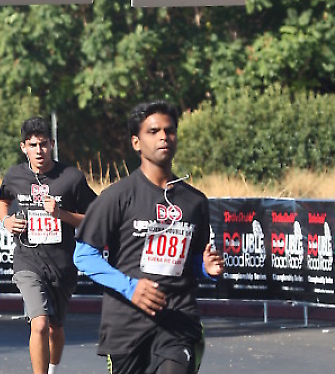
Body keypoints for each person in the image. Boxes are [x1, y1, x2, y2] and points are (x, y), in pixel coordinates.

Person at [74, 101, 224, 374]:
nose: (163, 137)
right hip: (126, 326)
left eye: (170, 130)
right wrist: (130, 287)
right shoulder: (117, 197)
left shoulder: (195, 201)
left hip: (178, 321)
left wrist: (205, 268)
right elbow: (84, 256)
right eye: (153, 131)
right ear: (136, 142)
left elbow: (192, 262)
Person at [0, 116, 97, 374]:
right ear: (23, 147)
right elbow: (2, 200)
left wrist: (61, 214)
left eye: (43, 144)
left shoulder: (72, 178)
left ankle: (52, 370)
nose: (39, 150)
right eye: (33, 145)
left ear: (52, 144)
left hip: (62, 263)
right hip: (28, 259)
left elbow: (94, 218)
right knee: (39, 323)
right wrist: (6, 220)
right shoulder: (15, 175)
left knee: (55, 327)